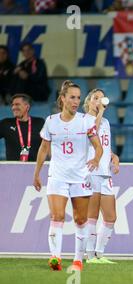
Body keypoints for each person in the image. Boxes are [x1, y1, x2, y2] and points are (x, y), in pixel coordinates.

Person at [33, 80, 103, 272]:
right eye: (72, 97)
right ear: (62, 99)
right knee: (57, 216)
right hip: (57, 176)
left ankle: (78, 260)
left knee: (81, 220)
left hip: (80, 177)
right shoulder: (51, 121)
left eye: (78, 98)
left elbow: (98, 147)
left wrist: (96, 159)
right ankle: (55, 258)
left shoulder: (86, 121)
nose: (76, 101)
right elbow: (43, 148)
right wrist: (37, 173)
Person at [83, 89, 120, 264]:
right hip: (91, 171)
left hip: (105, 173)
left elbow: (103, 143)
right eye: (95, 98)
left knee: (111, 217)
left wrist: (113, 155)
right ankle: (89, 255)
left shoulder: (105, 122)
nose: (98, 101)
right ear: (88, 102)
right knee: (92, 216)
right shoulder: (84, 120)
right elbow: (92, 134)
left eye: (100, 98)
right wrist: (101, 112)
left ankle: (99, 253)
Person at [0, 94, 45, 161]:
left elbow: (49, 144)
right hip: (12, 169)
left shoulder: (40, 123)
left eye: (17, 104)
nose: (13, 107)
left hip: (35, 168)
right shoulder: (6, 123)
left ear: (27, 107)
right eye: (12, 105)